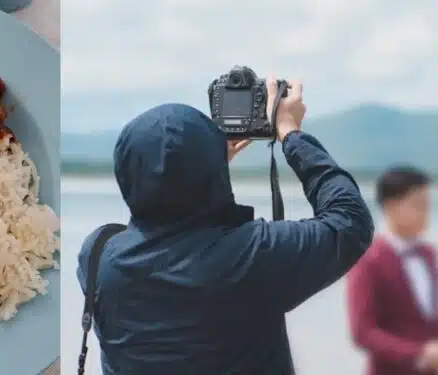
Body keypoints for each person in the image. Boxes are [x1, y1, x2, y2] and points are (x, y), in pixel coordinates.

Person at [76, 77, 375, 375]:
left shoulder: (97, 257)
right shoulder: (252, 255)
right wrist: (290, 133)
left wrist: (201, 164)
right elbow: (349, 221)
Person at [347, 166, 436, 375]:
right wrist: (419, 353)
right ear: (391, 206)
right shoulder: (369, 260)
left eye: (427, 205)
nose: (425, 213)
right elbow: (363, 332)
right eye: (418, 205)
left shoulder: (428, 254)